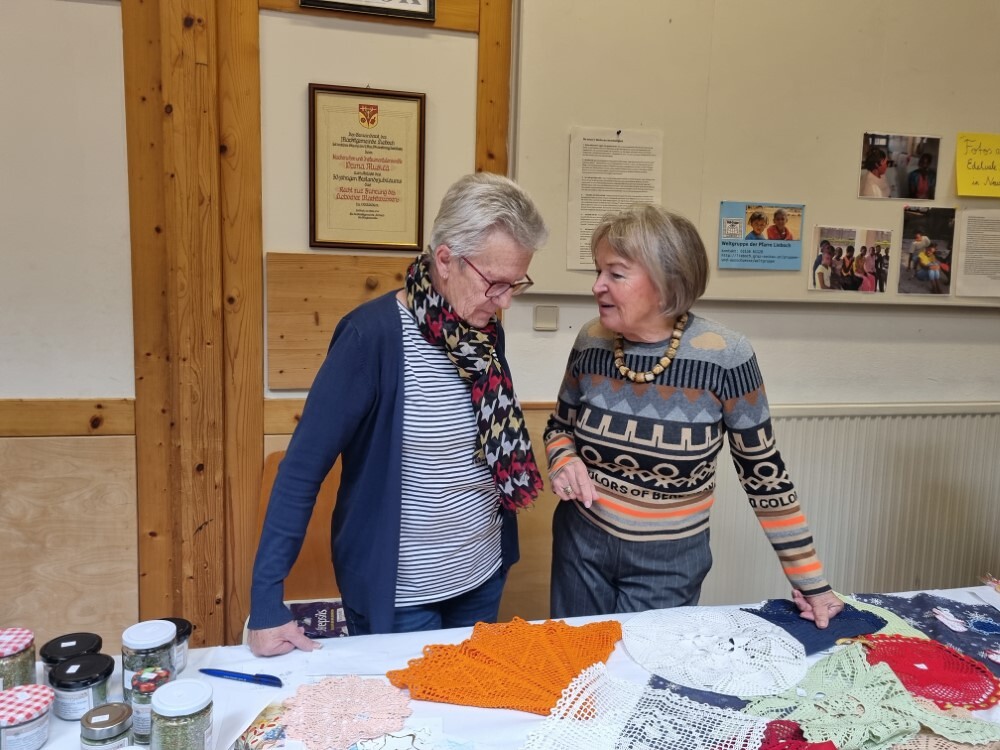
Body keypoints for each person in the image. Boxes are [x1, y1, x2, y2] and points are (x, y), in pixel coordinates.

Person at [247, 172, 549, 656]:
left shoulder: (482, 332)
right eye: (495, 283)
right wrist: (265, 603)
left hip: (481, 573)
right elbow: (301, 471)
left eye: (516, 284)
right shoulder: (371, 339)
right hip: (402, 597)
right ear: (445, 260)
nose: (505, 301)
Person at [544, 204, 844, 628]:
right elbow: (559, 428)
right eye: (598, 271)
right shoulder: (591, 340)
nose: (597, 286)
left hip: (669, 563)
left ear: (667, 283)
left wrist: (811, 582)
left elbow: (764, 473)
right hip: (580, 548)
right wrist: (563, 459)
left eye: (616, 274)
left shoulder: (726, 355)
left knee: (645, 665)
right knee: (575, 659)